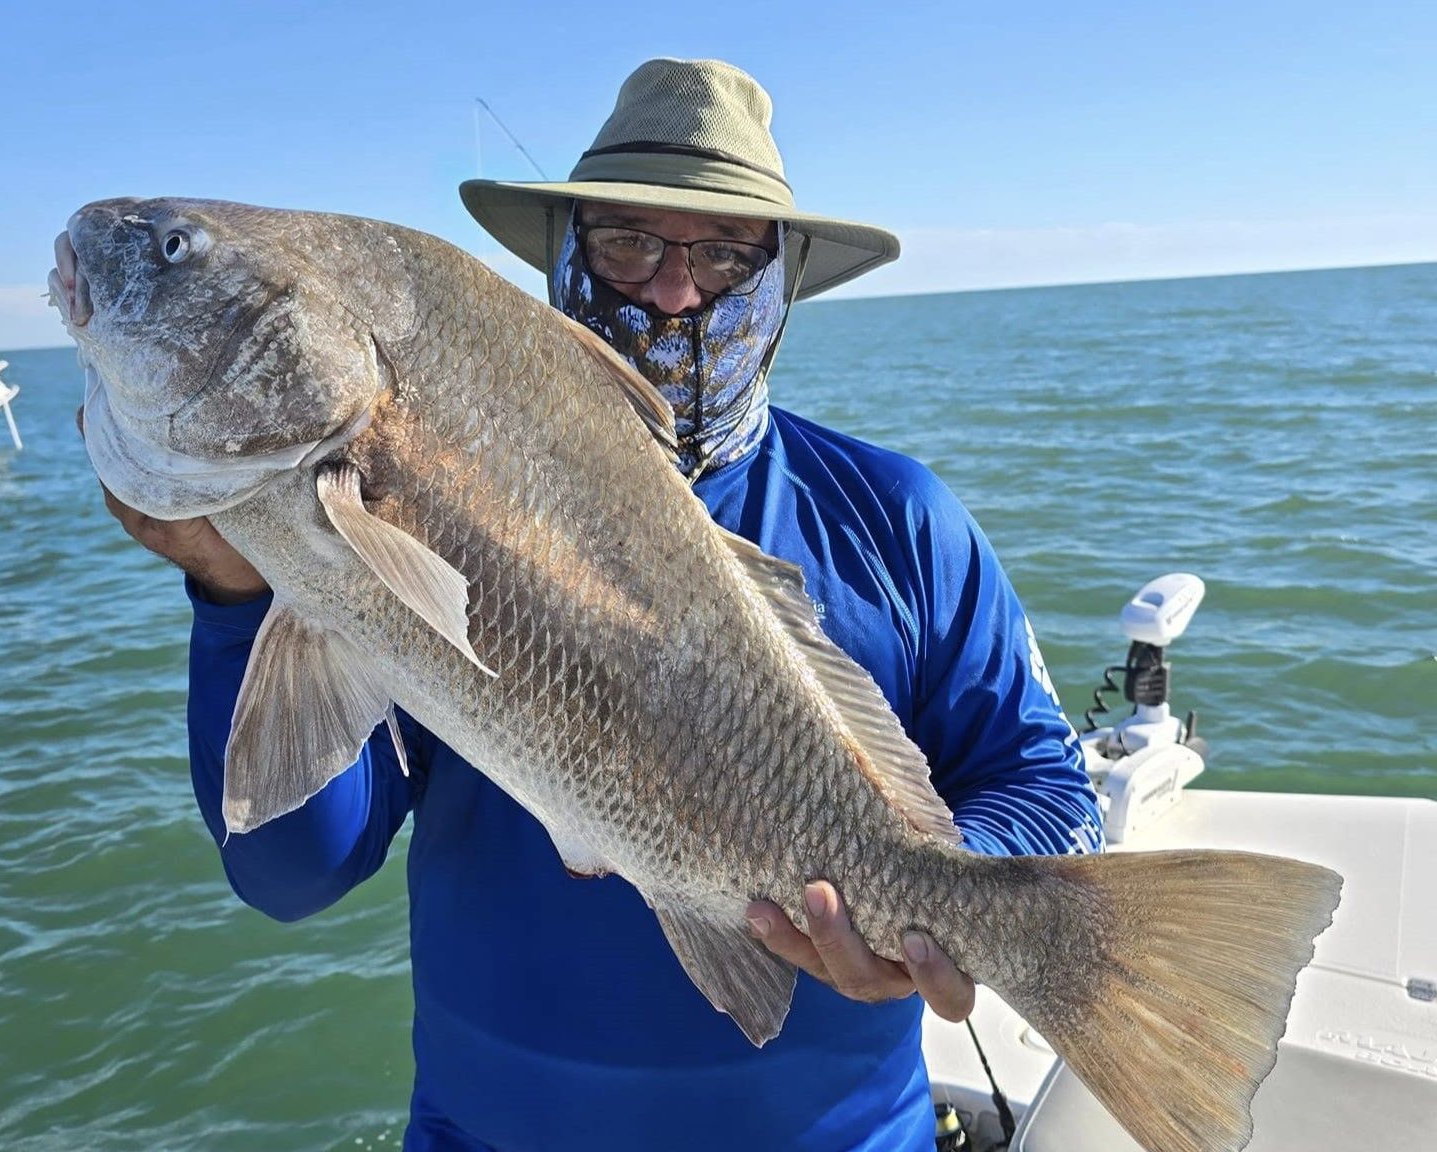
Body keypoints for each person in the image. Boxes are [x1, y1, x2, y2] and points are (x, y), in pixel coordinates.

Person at [101, 58, 1103, 1152]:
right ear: (566, 257)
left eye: (724, 254)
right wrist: (239, 592)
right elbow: (295, 871)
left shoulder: (899, 518)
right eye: (628, 243)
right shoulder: (427, 499)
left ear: (783, 278)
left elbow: (1049, 786)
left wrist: (930, 919)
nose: (674, 291)